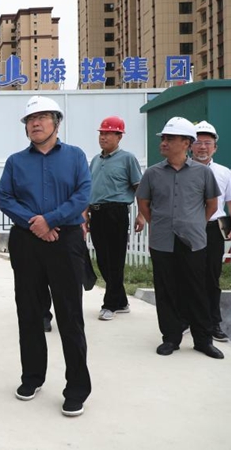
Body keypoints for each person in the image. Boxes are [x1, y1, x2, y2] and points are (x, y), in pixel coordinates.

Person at [0, 95, 92, 417]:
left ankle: (77, 387)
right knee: (29, 311)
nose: (35, 123)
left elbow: (83, 194)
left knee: (70, 314)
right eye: (30, 120)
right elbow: (5, 197)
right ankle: (32, 377)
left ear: (56, 123)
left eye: (42, 117)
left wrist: (50, 220)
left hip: (65, 240)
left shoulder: (76, 156)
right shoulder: (15, 162)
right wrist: (34, 223)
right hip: (26, 241)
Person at [136, 117, 223, 359]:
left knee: (197, 290)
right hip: (162, 241)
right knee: (166, 290)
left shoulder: (202, 173)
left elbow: (212, 204)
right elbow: (143, 203)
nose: (164, 142)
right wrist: (158, 223)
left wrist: (195, 224)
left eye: (170, 138)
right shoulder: (152, 173)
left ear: (186, 143)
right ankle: (171, 338)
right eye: (163, 138)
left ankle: (203, 340)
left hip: (193, 241)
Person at [87, 116, 145, 321]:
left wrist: (142, 214)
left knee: (115, 260)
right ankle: (121, 301)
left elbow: (139, 188)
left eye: (108, 133)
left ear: (119, 136)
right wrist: (86, 214)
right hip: (97, 213)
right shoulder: (95, 160)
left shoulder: (128, 159)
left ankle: (109, 304)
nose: (103, 137)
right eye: (101, 133)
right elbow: (90, 189)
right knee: (102, 260)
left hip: (116, 213)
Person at [191, 120, 231, 342]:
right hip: (187, 229)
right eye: (198, 142)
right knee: (186, 275)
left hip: (212, 229)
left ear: (215, 148)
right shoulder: (182, 169)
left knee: (211, 277)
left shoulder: (223, 172)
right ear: (190, 145)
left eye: (207, 143)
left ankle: (212, 322)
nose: (202, 147)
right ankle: (185, 320)